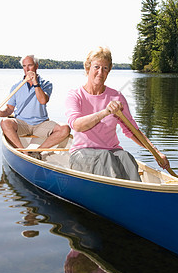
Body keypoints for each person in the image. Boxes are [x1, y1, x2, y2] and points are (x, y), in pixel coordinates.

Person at [65, 47, 170, 181]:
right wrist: (105, 112)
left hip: (111, 152)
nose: (100, 72)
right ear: (88, 68)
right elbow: (77, 125)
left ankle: (138, 194)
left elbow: (132, 131)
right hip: (81, 154)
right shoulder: (75, 95)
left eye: (105, 68)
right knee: (105, 157)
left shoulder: (116, 97)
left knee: (126, 157)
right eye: (96, 67)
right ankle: (118, 195)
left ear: (109, 71)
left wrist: (156, 153)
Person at [0, 55, 70, 156]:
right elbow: (10, 109)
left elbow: (43, 101)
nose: (27, 69)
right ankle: (23, 151)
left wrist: (35, 83)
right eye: (24, 66)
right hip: (22, 123)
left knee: (65, 128)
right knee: (5, 122)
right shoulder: (16, 87)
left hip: (41, 124)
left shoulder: (46, 84)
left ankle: (37, 152)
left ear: (36, 66)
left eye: (30, 65)